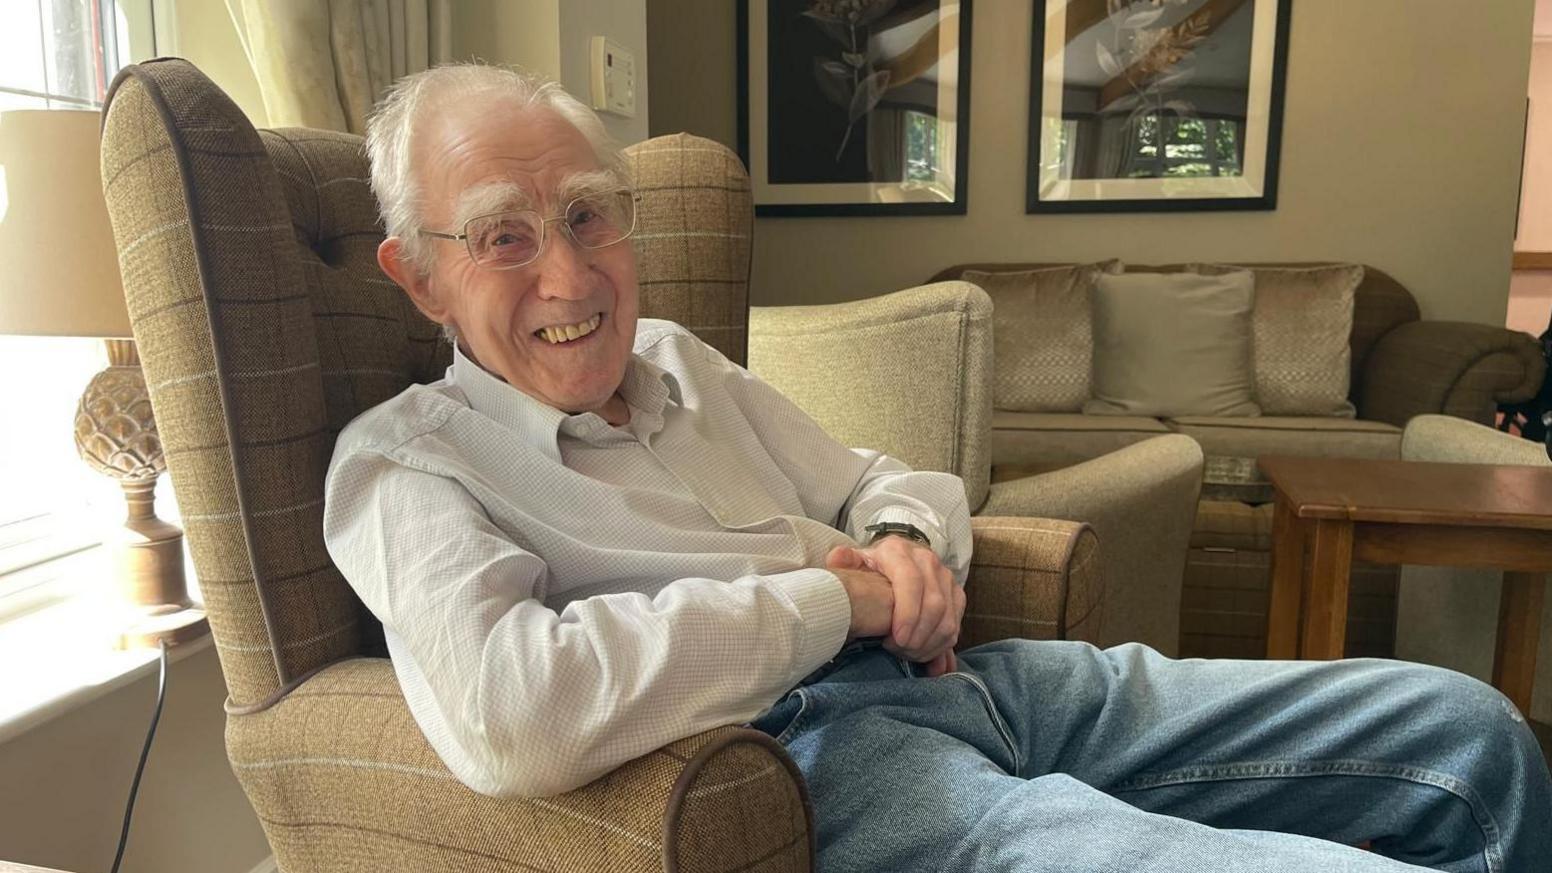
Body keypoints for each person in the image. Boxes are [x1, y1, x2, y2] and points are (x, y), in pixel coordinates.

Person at [322, 63, 1551, 872]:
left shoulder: (680, 360)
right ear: (416, 274)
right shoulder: (404, 467)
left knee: (1471, 737)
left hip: (987, 681)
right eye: (502, 237)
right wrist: (837, 600)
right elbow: (510, 717)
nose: (570, 276)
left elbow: (879, 478)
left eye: (590, 215)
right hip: (810, 754)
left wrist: (907, 547)